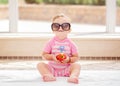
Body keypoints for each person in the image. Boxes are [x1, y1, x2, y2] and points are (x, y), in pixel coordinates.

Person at [37, 13, 80, 84]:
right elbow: (44, 55)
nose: (60, 28)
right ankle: (48, 75)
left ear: (69, 30)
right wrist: (52, 57)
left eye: (65, 26)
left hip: (67, 69)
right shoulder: (50, 42)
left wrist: (68, 59)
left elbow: (76, 57)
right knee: (40, 65)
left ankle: (73, 76)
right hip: (52, 69)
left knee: (77, 65)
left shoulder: (71, 44)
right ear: (53, 30)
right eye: (56, 26)